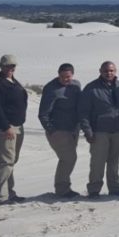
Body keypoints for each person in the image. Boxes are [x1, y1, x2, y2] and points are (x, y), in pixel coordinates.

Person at [79, 61, 119, 197]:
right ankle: (94, 189)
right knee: (97, 162)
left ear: (115, 71)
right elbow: (83, 112)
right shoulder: (91, 88)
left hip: (118, 130)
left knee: (114, 161)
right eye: (106, 71)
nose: (109, 73)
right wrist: (88, 131)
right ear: (100, 71)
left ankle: (114, 187)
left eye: (111, 71)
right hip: (99, 131)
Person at [0, 54, 28, 204]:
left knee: (12, 160)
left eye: (12, 66)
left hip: (17, 126)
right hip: (4, 127)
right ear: (1, 66)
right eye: (7, 66)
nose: (10, 68)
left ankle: (9, 192)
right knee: (6, 161)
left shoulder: (13, 81)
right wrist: (6, 127)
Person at [38, 63, 83, 198]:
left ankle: (64, 187)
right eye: (62, 76)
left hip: (73, 130)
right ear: (58, 74)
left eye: (68, 77)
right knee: (68, 158)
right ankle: (62, 189)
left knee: (68, 159)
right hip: (58, 130)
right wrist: (51, 130)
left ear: (72, 75)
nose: (65, 79)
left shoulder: (76, 86)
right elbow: (43, 113)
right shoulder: (51, 89)